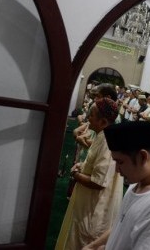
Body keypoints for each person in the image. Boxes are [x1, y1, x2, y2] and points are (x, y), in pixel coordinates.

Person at [82, 121, 150, 250]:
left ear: (142, 156)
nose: (117, 169)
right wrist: (93, 246)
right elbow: (121, 224)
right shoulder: (139, 182)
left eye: (120, 162)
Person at [56, 98, 123, 250]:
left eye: (91, 115)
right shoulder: (102, 135)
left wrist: (76, 174)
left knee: (81, 242)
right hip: (87, 203)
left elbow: (98, 182)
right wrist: (82, 165)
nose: (88, 118)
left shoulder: (108, 141)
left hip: (94, 208)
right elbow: (95, 163)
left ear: (103, 121)